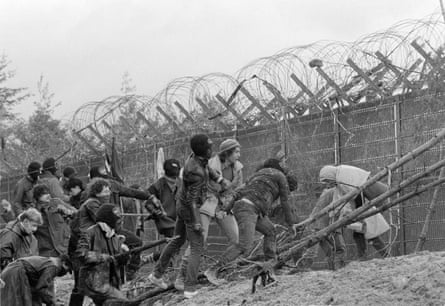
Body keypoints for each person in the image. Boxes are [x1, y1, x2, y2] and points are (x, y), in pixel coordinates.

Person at [148, 134, 224, 298]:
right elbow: (192, 201)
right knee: (197, 246)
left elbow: (206, 168)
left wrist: (218, 177)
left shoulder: (196, 158)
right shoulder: (195, 171)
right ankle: (190, 288)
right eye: (210, 147)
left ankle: (156, 275)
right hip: (189, 209)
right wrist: (196, 222)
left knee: (177, 240)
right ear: (205, 151)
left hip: (181, 206)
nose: (213, 150)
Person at [204, 159, 299, 285]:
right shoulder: (280, 176)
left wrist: (226, 209)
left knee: (270, 231)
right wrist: (291, 223)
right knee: (244, 245)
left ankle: (270, 265)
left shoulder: (256, 176)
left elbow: (237, 192)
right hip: (248, 209)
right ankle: (213, 270)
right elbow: (286, 202)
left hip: (248, 208)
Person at [318, 165, 390, 260]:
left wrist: (346, 214)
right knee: (363, 233)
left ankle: (381, 256)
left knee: (370, 234)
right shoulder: (341, 177)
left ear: (330, 176)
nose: (327, 185)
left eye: (327, 181)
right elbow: (342, 198)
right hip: (362, 206)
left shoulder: (343, 178)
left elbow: (350, 196)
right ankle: (368, 257)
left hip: (363, 207)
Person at [76, 204, 130, 305]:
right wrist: (103, 257)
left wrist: (124, 258)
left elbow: (116, 261)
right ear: (108, 219)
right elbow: (81, 254)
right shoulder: (90, 232)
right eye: (117, 217)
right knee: (124, 302)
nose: (119, 221)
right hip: (93, 285)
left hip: (109, 285)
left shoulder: (115, 237)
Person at [68, 178, 111, 306]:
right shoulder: (92, 203)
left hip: (86, 245)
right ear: (96, 193)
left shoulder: (97, 204)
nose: (108, 194)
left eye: (109, 190)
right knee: (81, 282)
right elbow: (104, 222)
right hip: (79, 247)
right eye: (105, 191)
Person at [0, 255, 72, 306]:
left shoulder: (50, 261)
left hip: (12, 270)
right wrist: (52, 302)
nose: (66, 273)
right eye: (67, 270)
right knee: (17, 302)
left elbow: (36, 289)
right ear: (64, 263)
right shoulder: (55, 266)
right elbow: (41, 288)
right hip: (15, 273)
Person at [33, 184, 76, 257]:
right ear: (37, 197)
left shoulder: (56, 203)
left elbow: (76, 213)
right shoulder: (34, 213)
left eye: (48, 193)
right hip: (47, 252)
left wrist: (67, 211)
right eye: (44, 193)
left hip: (64, 247)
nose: (48, 195)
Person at [146, 159, 181, 238]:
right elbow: (148, 202)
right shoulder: (158, 185)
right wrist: (155, 211)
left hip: (181, 220)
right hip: (166, 222)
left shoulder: (181, 184)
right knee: (173, 243)